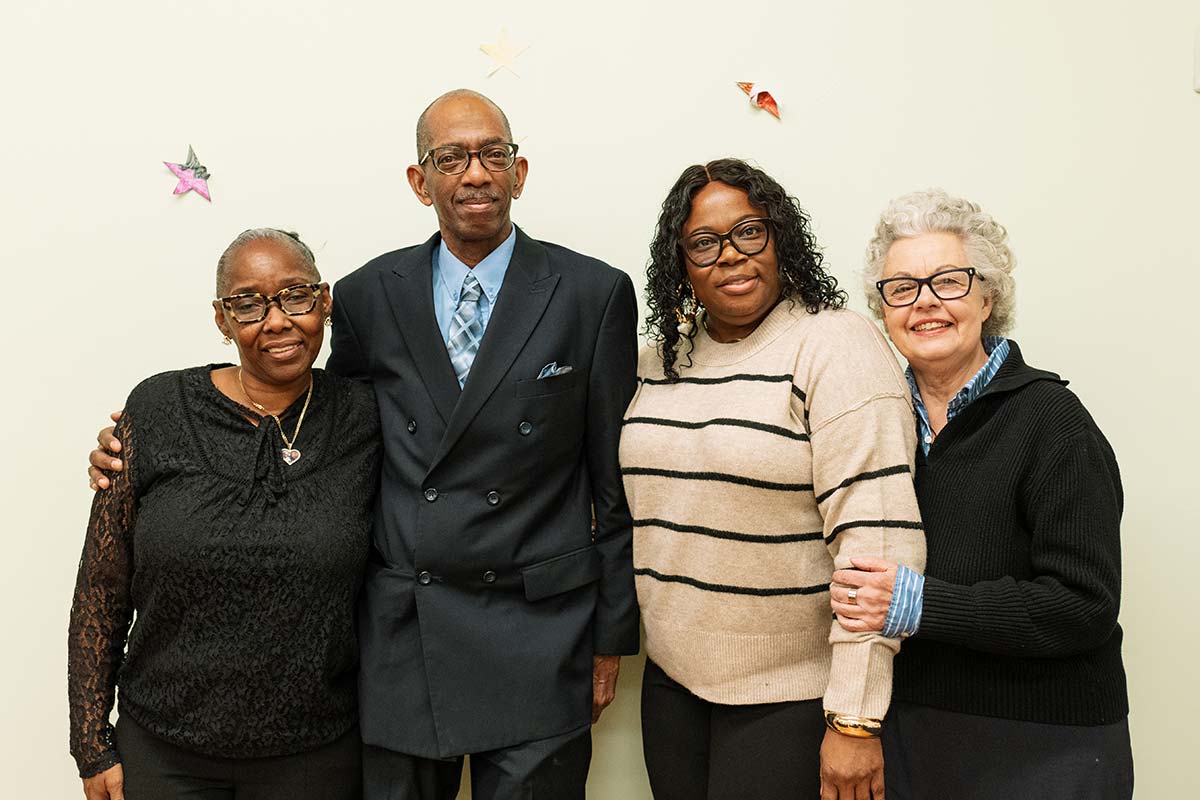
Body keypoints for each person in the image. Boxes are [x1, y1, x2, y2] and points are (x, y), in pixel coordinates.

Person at [92, 89, 641, 799]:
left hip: (542, 633)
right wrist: (142, 452)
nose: (476, 173)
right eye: (451, 158)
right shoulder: (366, 296)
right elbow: (329, 431)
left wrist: (610, 633)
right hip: (404, 635)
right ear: (420, 181)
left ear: (520, 170)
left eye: (492, 154)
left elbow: (612, 481)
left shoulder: (593, 293)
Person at [619, 158, 926, 800]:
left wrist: (855, 716)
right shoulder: (661, 362)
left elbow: (878, 539)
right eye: (704, 243)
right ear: (680, 264)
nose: (730, 254)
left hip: (793, 699)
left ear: (779, 237)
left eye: (749, 232)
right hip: (672, 685)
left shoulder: (835, 346)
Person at [831, 188, 1133, 798]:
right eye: (902, 288)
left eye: (949, 281)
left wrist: (922, 605)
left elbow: (1084, 605)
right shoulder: (874, 425)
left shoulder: (1054, 422)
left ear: (988, 296)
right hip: (911, 735)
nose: (925, 303)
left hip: (1047, 745)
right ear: (883, 310)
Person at [70, 228, 380, 800]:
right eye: (248, 304)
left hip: (315, 755)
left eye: (296, 296)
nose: (277, 321)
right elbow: (101, 587)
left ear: (325, 302)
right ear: (222, 318)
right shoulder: (159, 409)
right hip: (164, 753)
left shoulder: (366, 418)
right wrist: (91, 744)